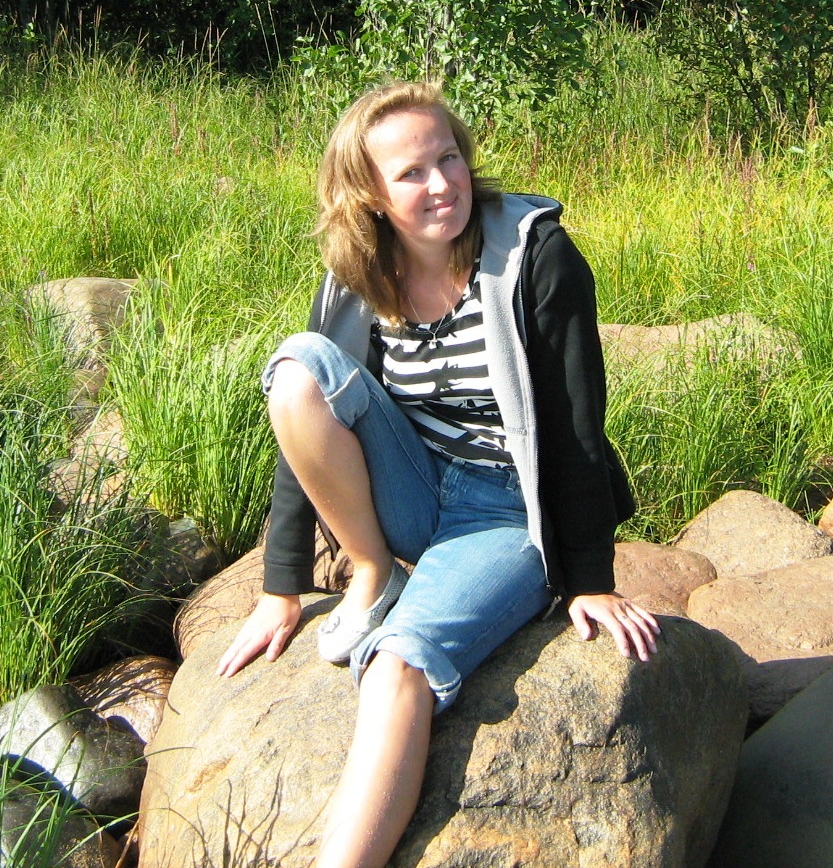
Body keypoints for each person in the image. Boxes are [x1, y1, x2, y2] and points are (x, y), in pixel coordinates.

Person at [217, 80, 660, 868]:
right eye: (411, 173)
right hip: (414, 488)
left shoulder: (536, 257)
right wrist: (280, 587)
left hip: (505, 515)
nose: (441, 184)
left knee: (397, 665)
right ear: (369, 196)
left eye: (448, 158)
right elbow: (304, 432)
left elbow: (575, 428)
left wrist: (589, 579)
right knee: (298, 369)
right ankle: (371, 571)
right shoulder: (357, 272)